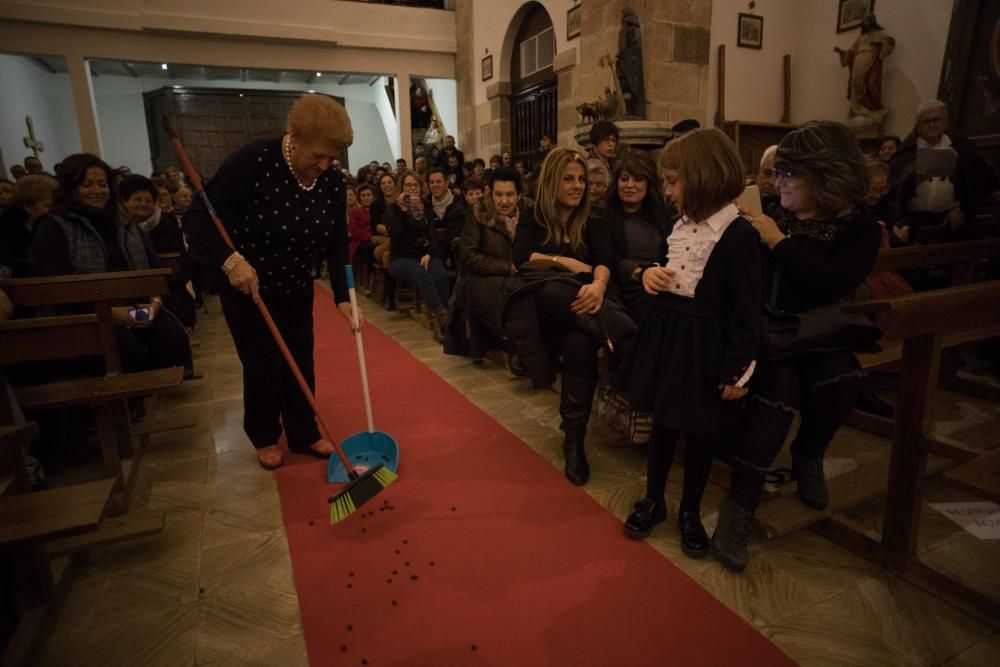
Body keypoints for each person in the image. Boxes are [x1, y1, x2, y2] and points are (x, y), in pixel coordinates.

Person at [712, 121, 881, 572]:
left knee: (843, 380)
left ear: (825, 178)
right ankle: (740, 506)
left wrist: (778, 242)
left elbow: (830, 284)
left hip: (820, 332)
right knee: (779, 389)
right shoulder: (770, 209)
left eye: (790, 174)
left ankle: (809, 452)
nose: (779, 181)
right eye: (778, 173)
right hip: (772, 333)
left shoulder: (860, 227)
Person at [184, 94, 359, 470]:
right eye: (318, 156)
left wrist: (343, 295)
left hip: (296, 283)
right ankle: (263, 434)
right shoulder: (253, 161)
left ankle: (303, 432)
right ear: (294, 138)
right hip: (249, 284)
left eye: (332, 158)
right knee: (262, 361)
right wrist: (231, 262)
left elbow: (336, 240)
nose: (325, 165)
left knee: (300, 356)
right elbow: (198, 219)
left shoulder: (329, 180)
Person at [616, 128, 761, 558]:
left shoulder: (739, 236)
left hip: (705, 347)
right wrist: (650, 276)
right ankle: (655, 500)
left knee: (699, 433)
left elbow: (747, 312)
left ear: (701, 178)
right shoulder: (676, 226)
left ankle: (690, 512)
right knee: (662, 423)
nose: (667, 190)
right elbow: (666, 268)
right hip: (668, 336)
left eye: (673, 181)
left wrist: (738, 369)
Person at [507, 148, 626, 486]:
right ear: (552, 182)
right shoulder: (534, 216)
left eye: (582, 180)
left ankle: (574, 438)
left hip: (584, 313)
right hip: (544, 315)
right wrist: (567, 264)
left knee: (580, 343)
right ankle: (618, 334)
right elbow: (522, 258)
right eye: (569, 179)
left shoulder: (595, 217)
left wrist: (600, 286)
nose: (578, 186)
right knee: (552, 290)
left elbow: (604, 260)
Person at [31, 153, 192, 375]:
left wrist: (153, 305)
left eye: (102, 184)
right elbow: (54, 291)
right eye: (87, 184)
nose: (97, 191)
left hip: (135, 309)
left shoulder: (124, 222)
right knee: (128, 350)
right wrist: (112, 313)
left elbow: (154, 271)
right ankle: (125, 402)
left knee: (171, 337)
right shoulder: (54, 227)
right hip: (86, 317)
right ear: (71, 187)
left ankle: (141, 392)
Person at [890, 99, 999, 243]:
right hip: (913, 222)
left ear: (946, 121)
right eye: (926, 121)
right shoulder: (906, 152)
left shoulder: (961, 147)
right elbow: (891, 189)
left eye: (936, 119)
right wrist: (913, 179)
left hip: (950, 221)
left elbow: (980, 181)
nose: (932, 125)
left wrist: (960, 206)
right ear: (917, 125)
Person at [120, 174, 197, 331]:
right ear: (124, 202)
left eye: (148, 201)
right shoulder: (119, 229)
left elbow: (183, 261)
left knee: (170, 332)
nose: (143, 204)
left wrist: (157, 296)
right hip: (127, 297)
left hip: (164, 289)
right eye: (137, 200)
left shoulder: (167, 224)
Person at [385, 169, 451, 342]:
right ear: (402, 187)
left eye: (415, 185)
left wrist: (429, 254)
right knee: (424, 275)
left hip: (424, 254)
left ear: (421, 187)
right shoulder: (392, 208)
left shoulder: (425, 206)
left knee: (440, 274)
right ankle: (443, 320)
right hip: (400, 258)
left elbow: (432, 236)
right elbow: (396, 234)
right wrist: (403, 210)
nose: (412, 188)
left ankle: (446, 322)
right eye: (408, 185)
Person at [607, 151, 671, 324]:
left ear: (648, 184)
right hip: (624, 288)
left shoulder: (664, 215)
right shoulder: (603, 215)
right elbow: (608, 257)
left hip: (662, 282)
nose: (630, 185)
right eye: (624, 178)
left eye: (637, 179)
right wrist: (640, 274)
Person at [834, 14, 895, 121]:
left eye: (867, 20)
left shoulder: (880, 33)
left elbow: (890, 42)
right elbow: (851, 52)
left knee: (870, 84)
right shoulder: (860, 38)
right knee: (856, 84)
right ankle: (858, 109)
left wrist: (880, 42)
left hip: (871, 61)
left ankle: (873, 108)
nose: (864, 23)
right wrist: (842, 52)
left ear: (872, 22)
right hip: (858, 62)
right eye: (863, 21)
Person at [0, 174, 57, 276]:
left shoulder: (55, 225)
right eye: (48, 205)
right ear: (28, 207)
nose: (55, 210)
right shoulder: (5, 230)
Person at [428, 167, 466, 266]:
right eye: (432, 182)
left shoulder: (459, 203)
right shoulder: (425, 204)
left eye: (438, 181)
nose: (435, 185)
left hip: (456, 252)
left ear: (447, 183)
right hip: (433, 251)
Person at [349, 183, 376, 264]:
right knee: (370, 246)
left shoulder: (378, 210)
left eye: (368, 195)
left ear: (373, 197)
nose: (366, 198)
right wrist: (371, 236)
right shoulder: (355, 211)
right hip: (360, 242)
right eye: (363, 196)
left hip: (378, 238)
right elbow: (354, 231)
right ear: (359, 198)